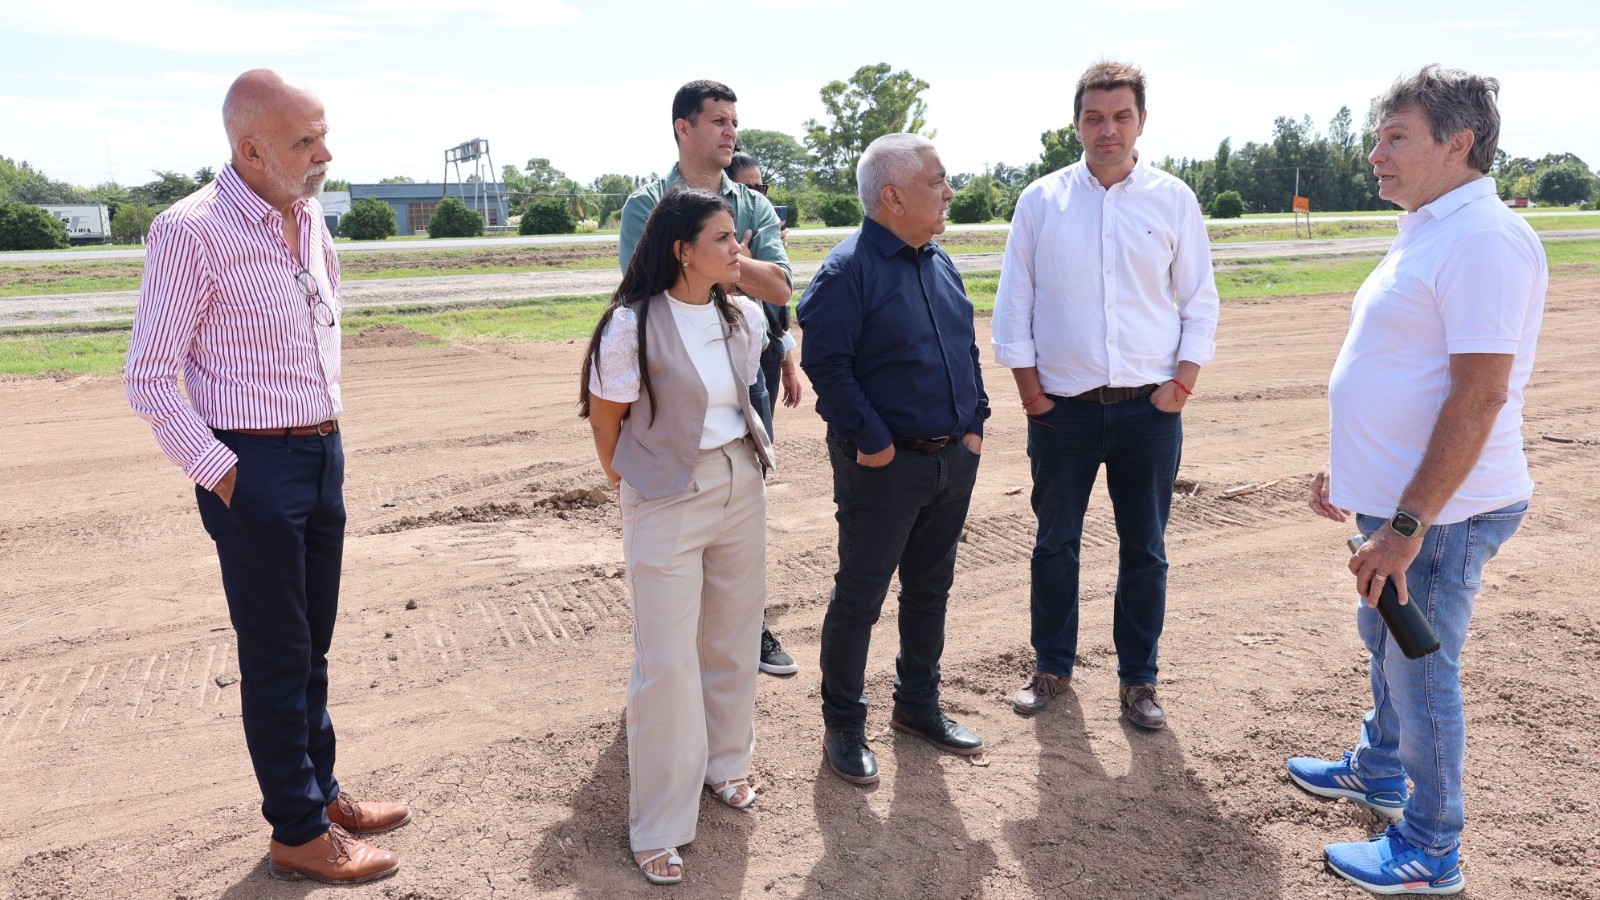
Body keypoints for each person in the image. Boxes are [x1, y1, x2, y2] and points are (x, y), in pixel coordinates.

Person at [124, 69, 408, 885]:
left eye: (322, 133)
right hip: (251, 466)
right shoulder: (192, 232)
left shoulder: (307, 214)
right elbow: (149, 375)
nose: (325, 153)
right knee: (278, 655)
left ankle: (321, 795)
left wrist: (326, 443)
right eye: (303, 142)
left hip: (322, 453)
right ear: (249, 150)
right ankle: (295, 830)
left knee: (310, 644)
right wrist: (226, 478)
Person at [1291, 64, 1544, 896]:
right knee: (1384, 640)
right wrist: (1356, 464)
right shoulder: (1434, 229)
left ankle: (1430, 848)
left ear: (1458, 142)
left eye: (1396, 137)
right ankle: (1379, 769)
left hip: (1443, 514)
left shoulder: (1482, 240)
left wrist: (1404, 528)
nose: (1375, 154)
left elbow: (1478, 397)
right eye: (1377, 137)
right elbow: (1402, 367)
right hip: (1400, 500)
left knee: (1420, 666)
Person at [991, 60, 1219, 730]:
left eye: (1121, 116)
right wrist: (1033, 398)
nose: (1108, 128)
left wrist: (1181, 385)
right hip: (1061, 413)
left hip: (1149, 412)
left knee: (1144, 549)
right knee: (1054, 543)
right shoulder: (1040, 202)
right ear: (1076, 124)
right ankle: (1052, 668)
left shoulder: (1172, 199)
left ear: (1141, 121)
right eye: (1095, 116)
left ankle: (1139, 680)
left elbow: (1200, 300)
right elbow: (1014, 308)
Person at [581, 187, 775, 885]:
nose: (737, 249)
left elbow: (742, 397)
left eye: (737, 236)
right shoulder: (629, 326)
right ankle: (658, 824)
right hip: (665, 493)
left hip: (738, 482)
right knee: (665, 660)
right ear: (681, 250)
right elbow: (606, 421)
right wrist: (626, 482)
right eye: (722, 239)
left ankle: (726, 765)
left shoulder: (744, 316)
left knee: (731, 635)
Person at [798, 132, 989, 786]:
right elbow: (826, 364)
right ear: (893, 195)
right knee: (861, 596)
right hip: (883, 468)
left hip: (950, 462)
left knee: (930, 589)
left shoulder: (937, 260)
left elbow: (965, 350)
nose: (948, 191)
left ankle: (916, 707)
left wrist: (976, 425)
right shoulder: (846, 271)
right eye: (937, 180)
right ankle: (844, 727)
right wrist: (874, 440)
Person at [620, 80, 798, 678]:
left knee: (741, 504)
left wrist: (718, 263)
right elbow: (646, 295)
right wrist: (738, 265)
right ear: (683, 129)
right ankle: (681, 634)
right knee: (677, 500)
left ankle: (750, 629)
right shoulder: (645, 206)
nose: (732, 133)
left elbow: (779, 288)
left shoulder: (753, 205)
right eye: (719, 121)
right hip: (676, 372)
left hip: (749, 369)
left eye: (733, 122)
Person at [725, 151, 804, 439]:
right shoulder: (721, 244)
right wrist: (739, 264)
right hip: (734, 348)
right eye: (748, 189)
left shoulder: (768, 248)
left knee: (761, 441)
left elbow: (776, 309)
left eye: (761, 188)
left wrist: (788, 367)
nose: (758, 196)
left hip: (767, 350)